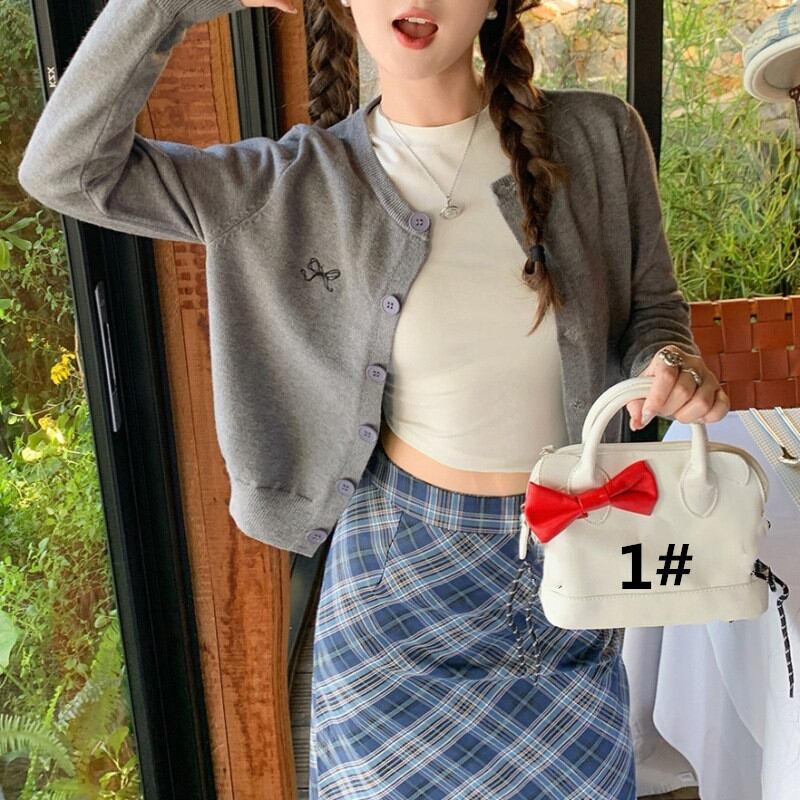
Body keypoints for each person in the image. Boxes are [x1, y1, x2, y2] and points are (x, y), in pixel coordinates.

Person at [17, 0, 730, 797]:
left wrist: (672, 363)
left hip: (572, 565)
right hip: (397, 594)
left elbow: (654, 312)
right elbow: (65, 170)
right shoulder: (286, 185)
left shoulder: (600, 137)